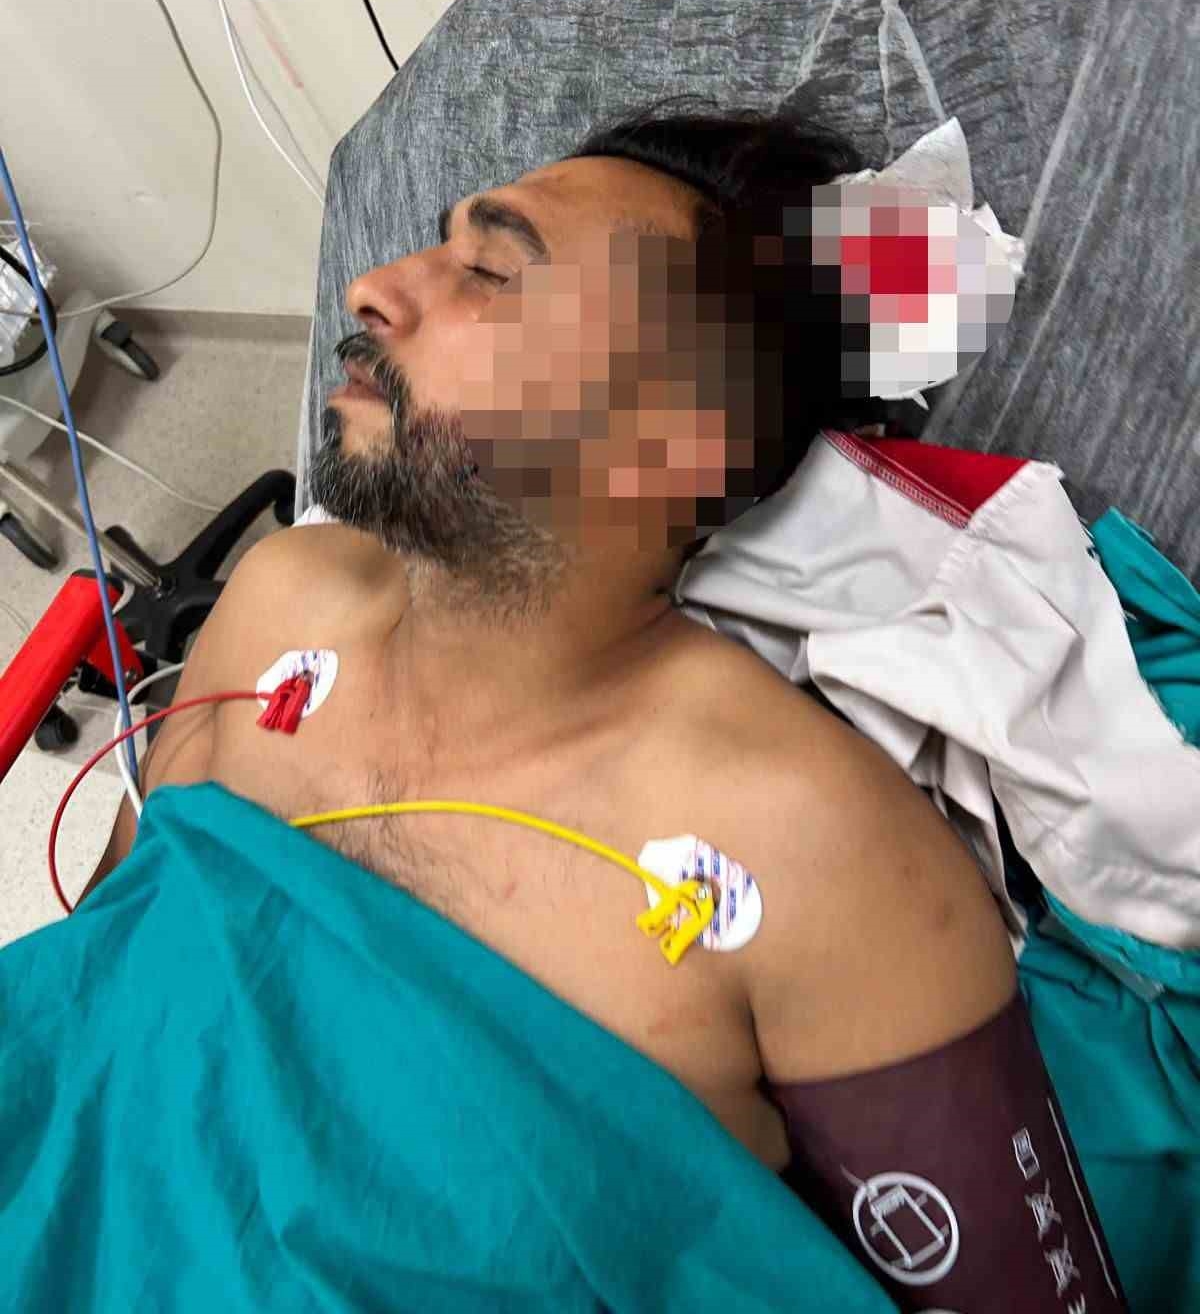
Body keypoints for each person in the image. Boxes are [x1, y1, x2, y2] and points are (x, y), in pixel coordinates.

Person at [78, 101, 1127, 1310]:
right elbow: (104, 958)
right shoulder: (278, 596)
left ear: (676, 434)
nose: (371, 288)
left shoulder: (811, 848)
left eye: (491, 271)